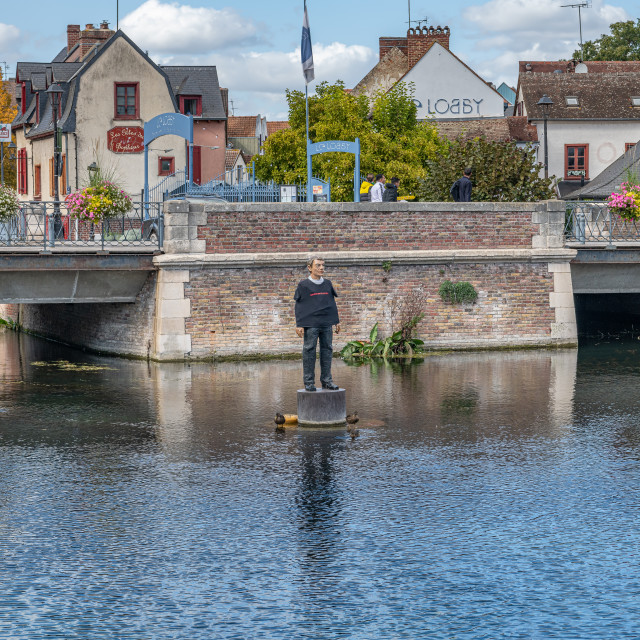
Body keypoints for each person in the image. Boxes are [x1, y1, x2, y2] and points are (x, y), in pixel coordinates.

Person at [295, 257, 341, 392]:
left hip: (326, 323)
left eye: (323, 265)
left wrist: (336, 321)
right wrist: (299, 324)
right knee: (309, 351)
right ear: (310, 268)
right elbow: (299, 305)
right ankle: (309, 382)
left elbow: (332, 303)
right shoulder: (303, 285)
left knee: (327, 350)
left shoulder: (327, 284)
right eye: (318, 265)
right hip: (311, 324)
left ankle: (327, 381)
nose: (321, 268)